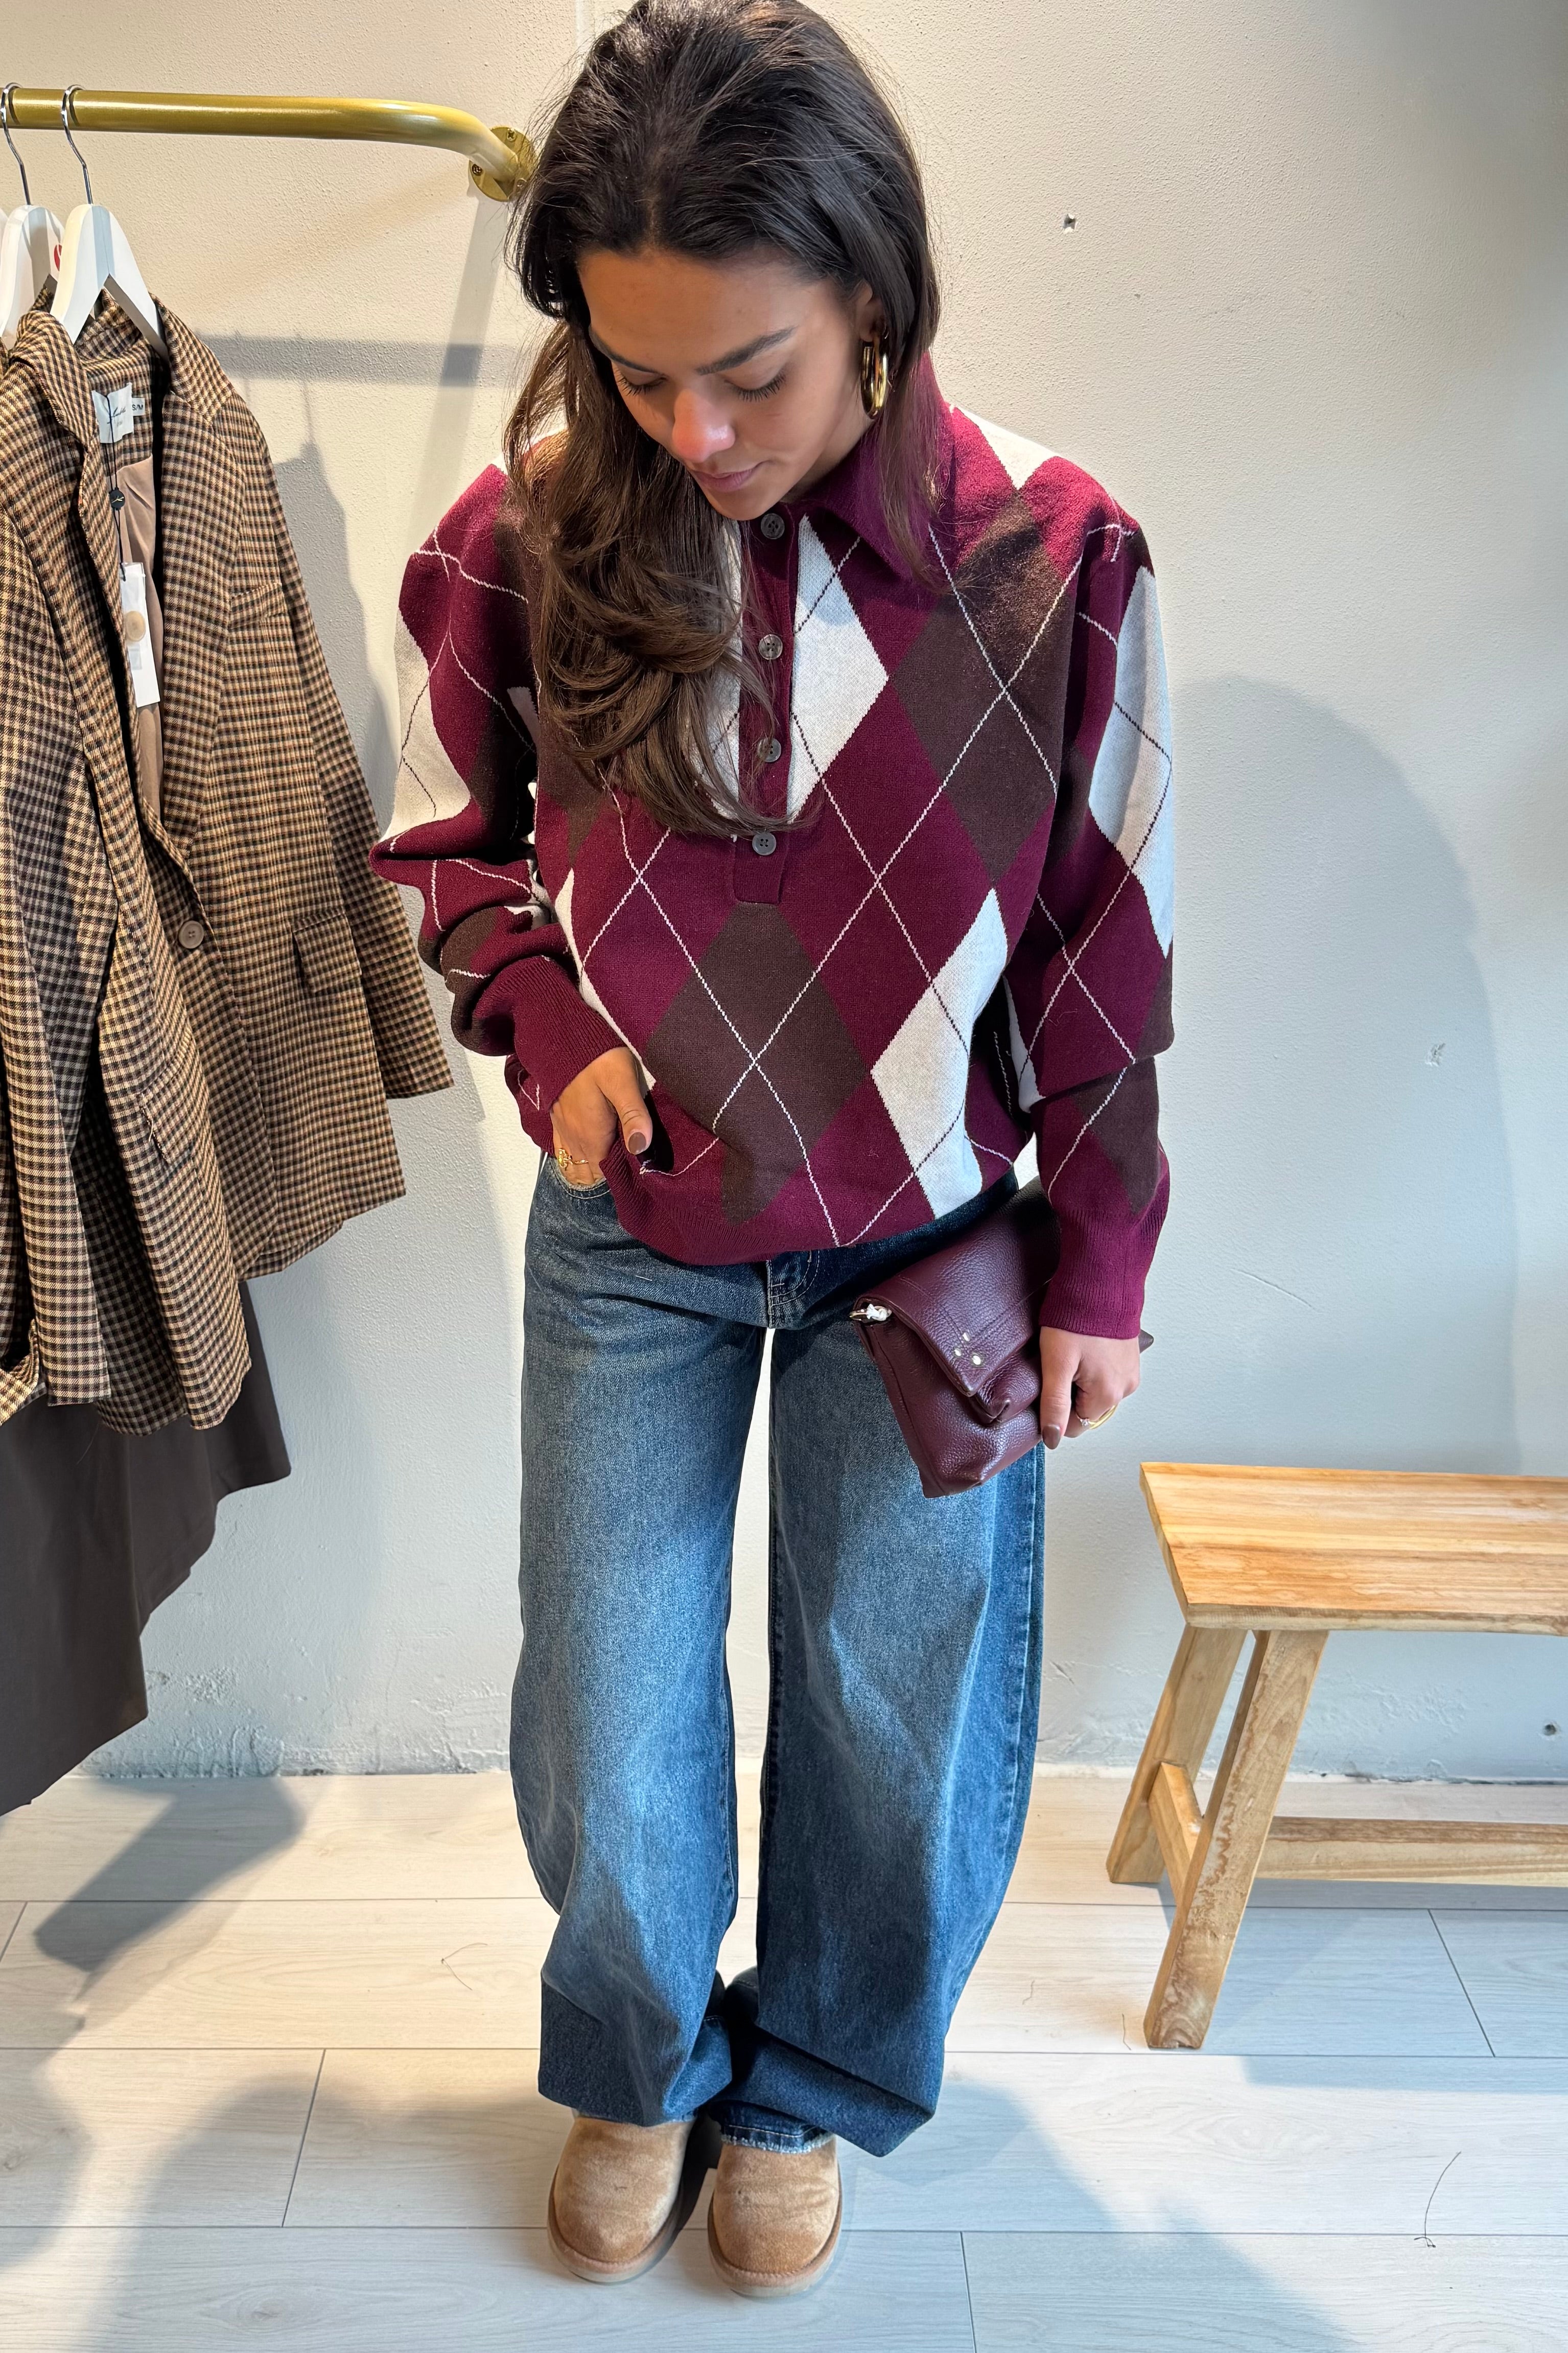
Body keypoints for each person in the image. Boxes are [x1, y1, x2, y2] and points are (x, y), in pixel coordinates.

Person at [371, 0, 1173, 2300]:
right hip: (635, 1226)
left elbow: (1108, 931)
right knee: (607, 1693)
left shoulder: (1059, 556)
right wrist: (546, 1027)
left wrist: (1103, 1260)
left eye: (752, 372)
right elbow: (451, 843)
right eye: (640, 375)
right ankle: (638, 2057)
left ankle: (806, 2082)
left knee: (890, 1709)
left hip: (931, 1242)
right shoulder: (529, 533)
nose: (695, 433)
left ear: (876, 294)